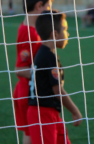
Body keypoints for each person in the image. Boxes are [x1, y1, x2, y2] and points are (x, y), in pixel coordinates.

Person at [27, 10, 82, 144]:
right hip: (42, 114)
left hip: (51, 113)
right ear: (55, 34)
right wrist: (75, 111)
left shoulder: (45, 54)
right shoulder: (48, 57)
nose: (67, 34)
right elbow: (58, 91)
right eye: (65, 29)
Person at [13, 0, 52, 144]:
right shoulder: (29, 33)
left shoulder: (30, 29)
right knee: (33, 137)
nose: (48, 10)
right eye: (47, 7)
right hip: (27, 93)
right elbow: (20, 69)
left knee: (32, 136)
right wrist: (45, 76)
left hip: (31, 91)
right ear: (39, 6)